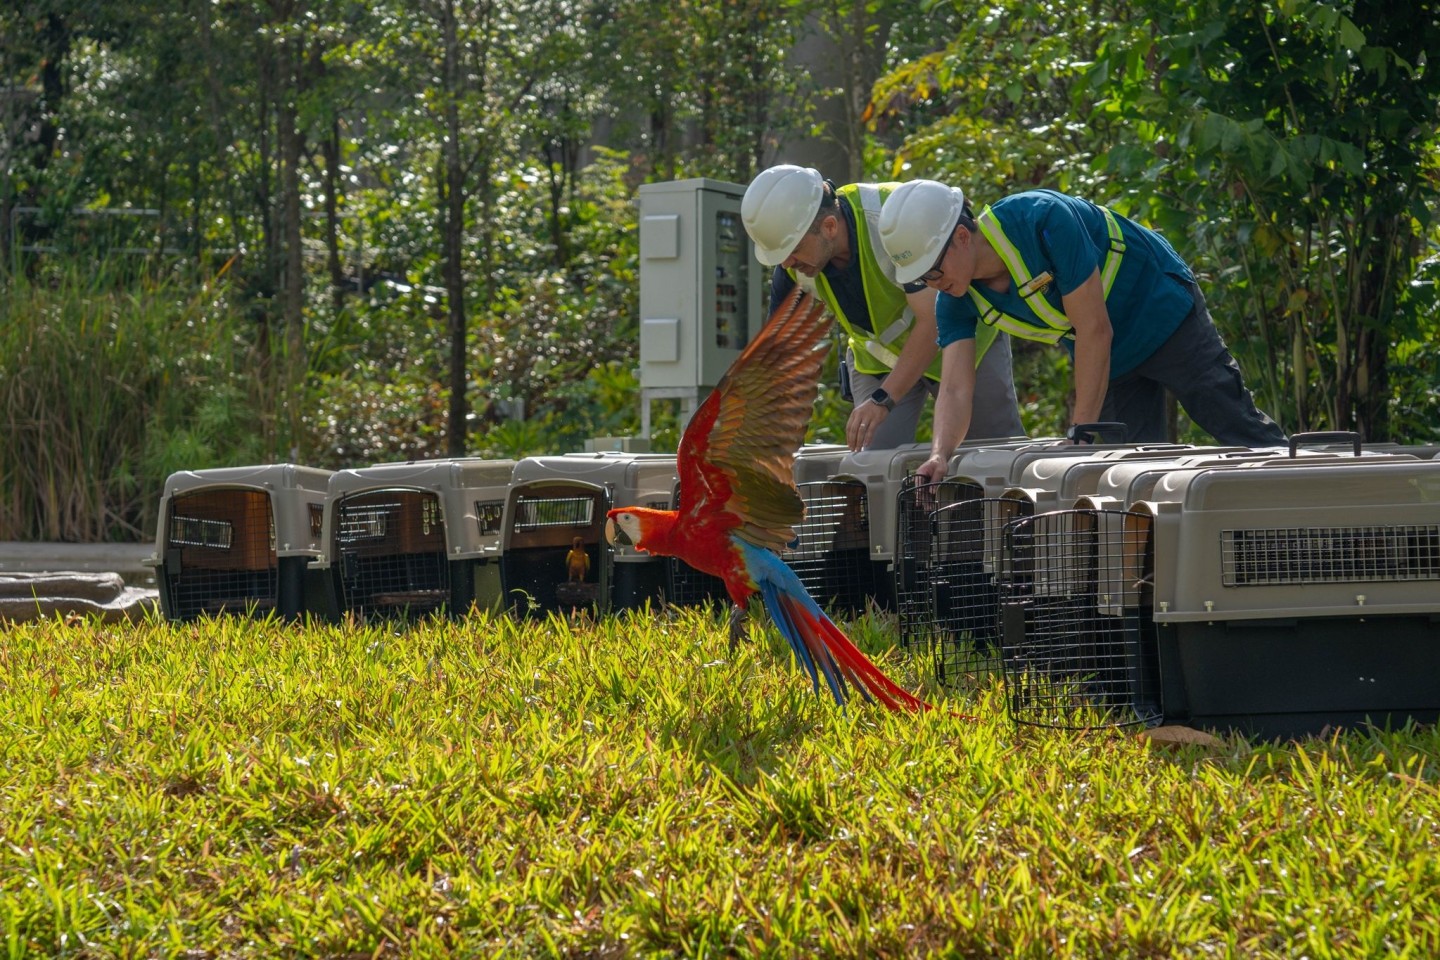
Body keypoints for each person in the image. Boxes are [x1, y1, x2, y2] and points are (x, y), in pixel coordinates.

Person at [876, 180, 1287, 485]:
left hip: (1160, 311)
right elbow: (954, 389)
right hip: (1110, 358)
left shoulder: (1041, 219)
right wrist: (939, 456)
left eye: (932, 270)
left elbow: (1094, 328)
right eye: (921, 278)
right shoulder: (955, 299)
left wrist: (1081, 431)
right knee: (1128, 474)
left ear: (962, 238)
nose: (932, 283)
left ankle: (1315, 514)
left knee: (1234, 423)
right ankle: (1145, 592)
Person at [740, 165, 1024, 452]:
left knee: (992, 456)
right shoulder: (793, 263)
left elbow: (933, 322)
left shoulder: (895, 219)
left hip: (959, 342)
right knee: (873, 466)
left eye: (792, 251)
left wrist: (883, 400)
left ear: (829, 226)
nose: (786, 263)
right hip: (879, 361)